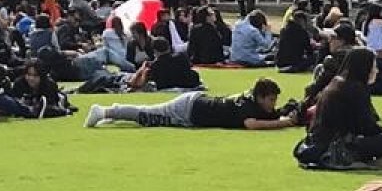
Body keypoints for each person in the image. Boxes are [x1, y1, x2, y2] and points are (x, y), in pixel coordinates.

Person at [298, 48, 382, 167]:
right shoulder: (355, 88)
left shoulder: (337, 82)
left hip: (318, 142)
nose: (376, 71)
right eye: (374, 67)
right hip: (335, 146)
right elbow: (365, 126)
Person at [86, 76, 296, 128]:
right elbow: (251, 124)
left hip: (194, 104)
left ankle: (111, 115)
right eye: (271, 99)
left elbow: (269, 115)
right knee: (146, 115)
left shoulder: (254, 101)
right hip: (186, 110)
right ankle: (104, 112)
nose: (273, 103)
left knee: (147, 115)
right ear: (260, 97)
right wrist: (284, 122)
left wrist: (286, 113)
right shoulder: (248, 106)